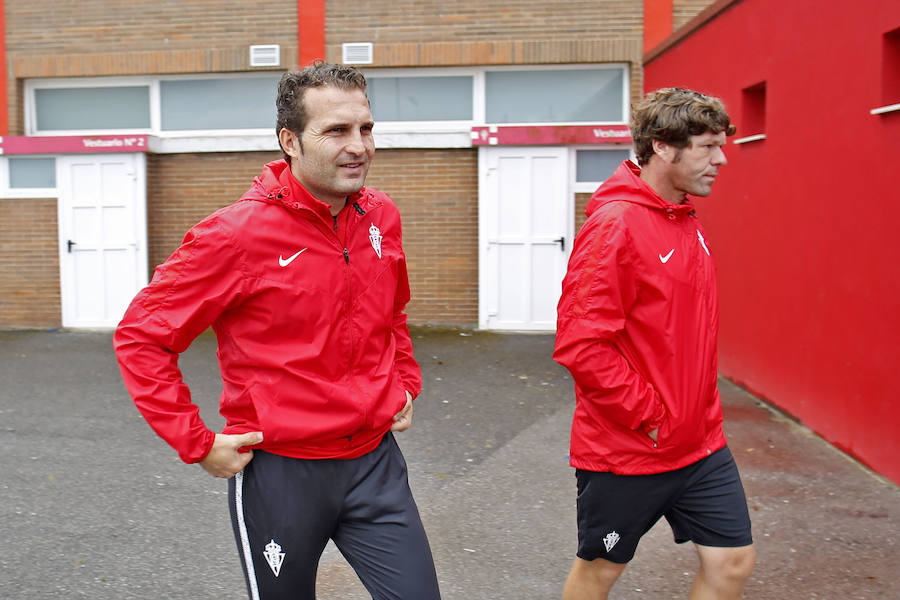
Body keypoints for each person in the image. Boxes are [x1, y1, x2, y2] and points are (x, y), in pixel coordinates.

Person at [114, 61, 441, 600]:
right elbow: (142, 336)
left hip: (375, 465)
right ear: (290, 140)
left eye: (366, 128)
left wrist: (404, 378)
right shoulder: (234, 235)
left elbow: (392, 311)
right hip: (282, 477)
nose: (358, 145)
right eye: (336, 131)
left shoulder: (381, 216)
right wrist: (196, 443)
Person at [553, 87, 756, 600]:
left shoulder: (682, 218)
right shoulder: (616, 226)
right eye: (707, 146)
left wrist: (688, 418)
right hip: (631, 449)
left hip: (701, 442)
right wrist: (652, 416)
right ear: (664, 147)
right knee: (599, 571)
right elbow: (582, 344)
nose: (721, 159)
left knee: (731, 562)